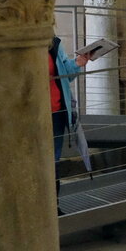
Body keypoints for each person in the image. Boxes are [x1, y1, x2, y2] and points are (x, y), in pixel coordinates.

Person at [49, 36, 89, 214]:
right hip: (33, 114)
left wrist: (79, 62)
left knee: (53, 161)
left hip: (56, 112)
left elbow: (66, 74)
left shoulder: (54, 43)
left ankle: (52, 207)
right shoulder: (24, 46)